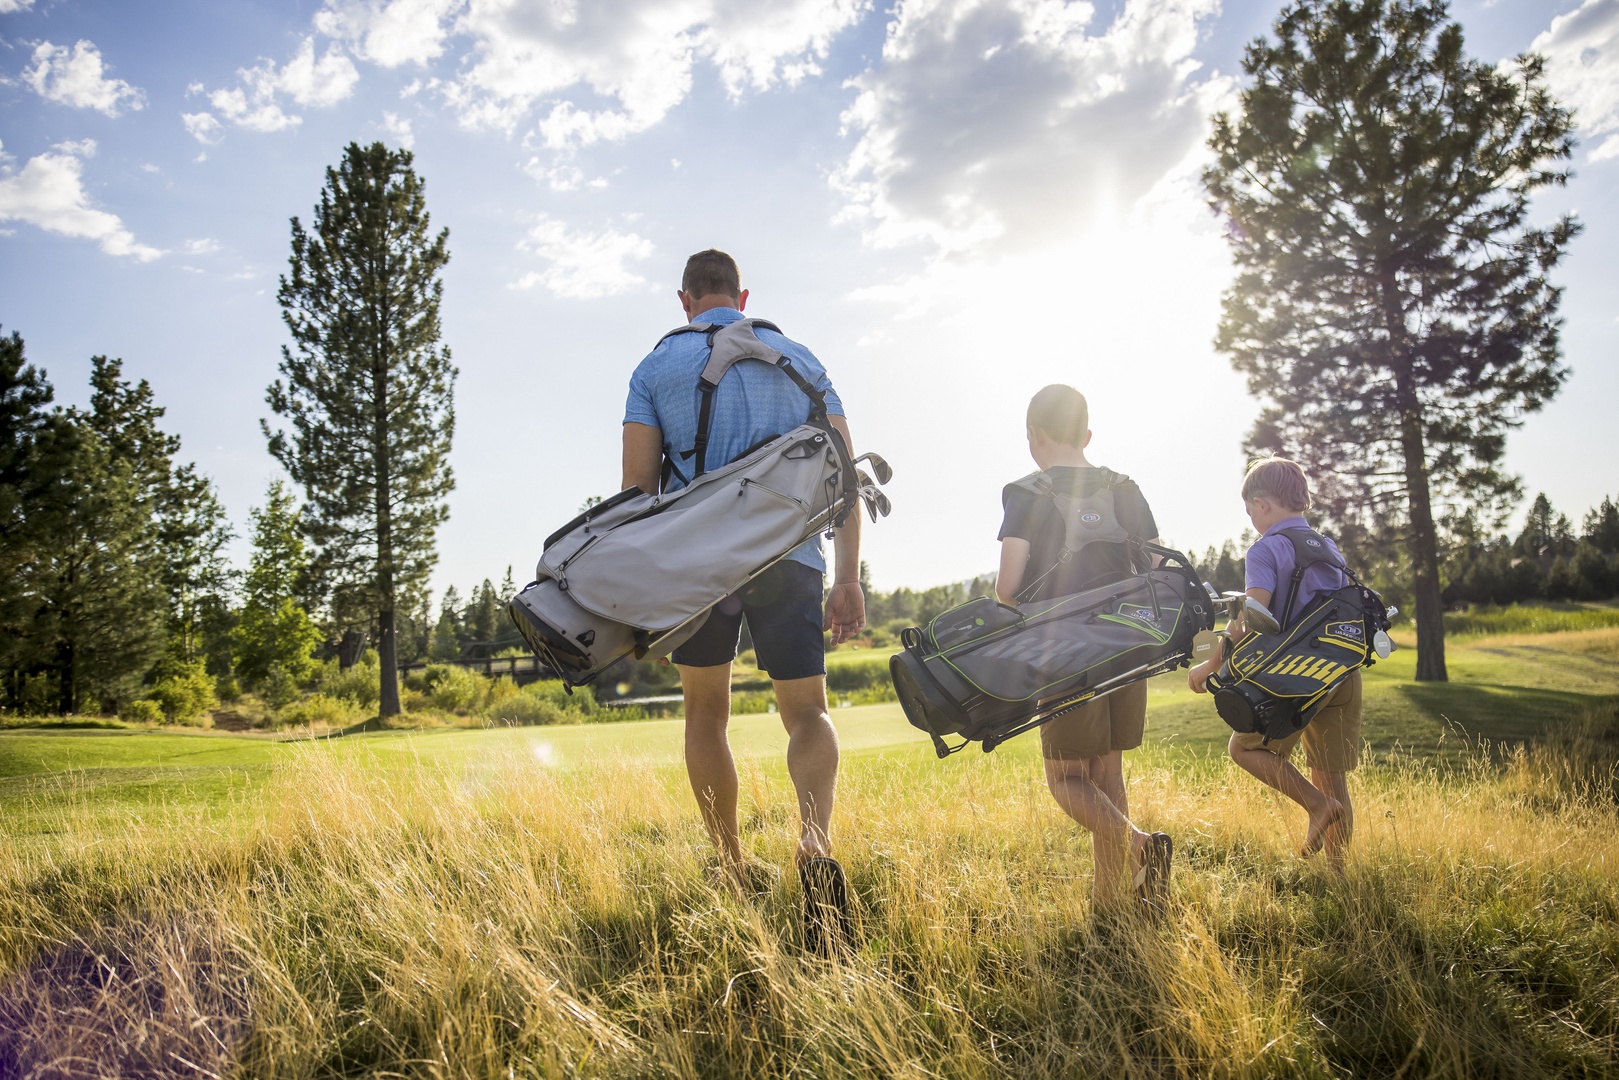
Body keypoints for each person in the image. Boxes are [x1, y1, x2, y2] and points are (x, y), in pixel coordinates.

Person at [621, 249, 863, 944]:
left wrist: (644, 599)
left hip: (699, 567)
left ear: (684, 300)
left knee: (705, 713)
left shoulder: (654, 368)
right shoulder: (801, 360)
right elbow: (845, 478)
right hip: (791, 554)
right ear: (742, 295)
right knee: (808, 712)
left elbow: (637, 493)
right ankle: (814, 841)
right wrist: (848, 577)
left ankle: (731, 866)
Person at [995, 384, 1172, 915]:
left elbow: (1008, 588)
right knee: (1107, 775)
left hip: (1065, 649)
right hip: (1128, 644)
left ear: (1034, 435)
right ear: (1087, 435)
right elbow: (1160, 568)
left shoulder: (1025, 493)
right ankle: (1109, 905)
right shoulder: (1124, 487)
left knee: (1066, 778)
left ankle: (1141, 845)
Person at [1187, 456, 1359, 869]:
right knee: (1332, 775)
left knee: (1244, 749)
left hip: (1295, 677)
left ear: (1261, 504)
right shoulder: (1328, 547)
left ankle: (1317, 806)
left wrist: (1210, 665)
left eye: (1251, 512)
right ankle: (1337, 876)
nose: (1252, 522)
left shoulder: (1265, 549)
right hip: (1341, 671)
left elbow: (1251, 615)